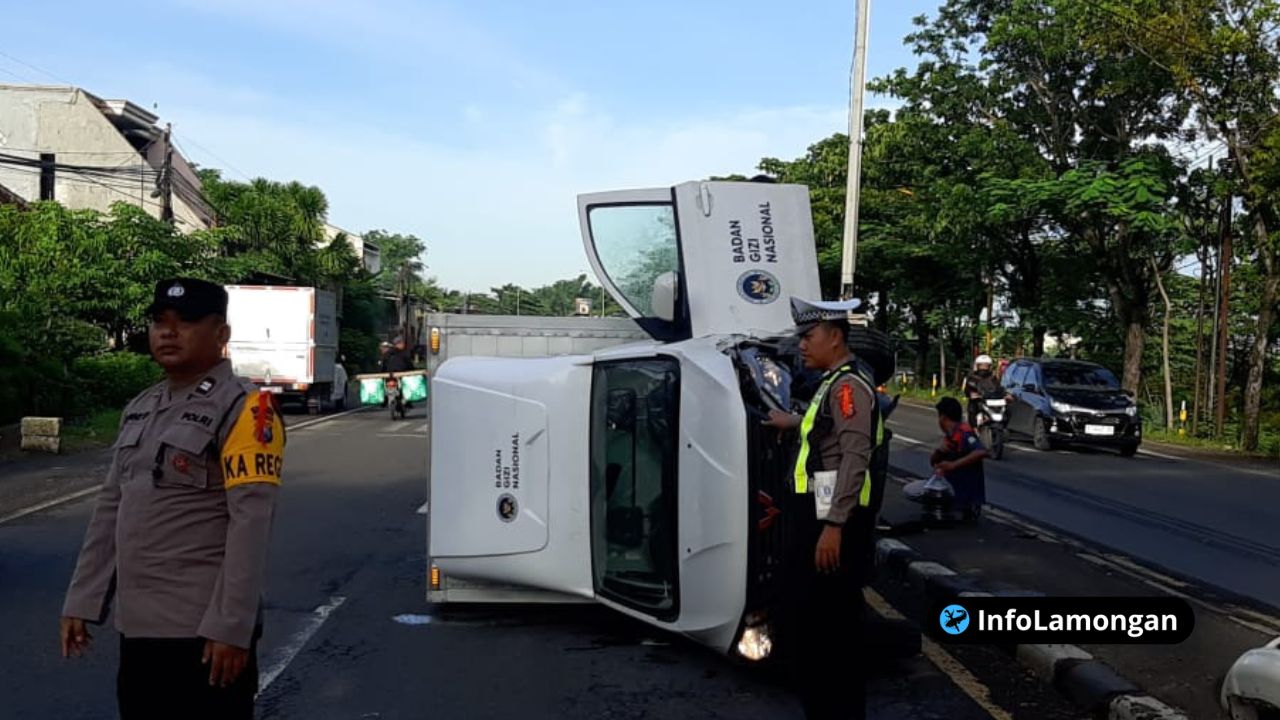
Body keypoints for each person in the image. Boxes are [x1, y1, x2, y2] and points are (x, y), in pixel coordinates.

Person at [60, 278, 286, 720]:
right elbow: (110, 509)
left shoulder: (247, 410)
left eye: (185, 322)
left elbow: (250, 525)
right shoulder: (141, 408)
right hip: (140, 628)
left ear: (221, 334)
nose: (168, 332)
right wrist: (82, 600)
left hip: (204, 633)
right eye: (160, 322)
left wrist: (232, 628)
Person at [765, 297, 882, 720]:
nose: (801, 345)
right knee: (816, 621)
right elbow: (827, 428)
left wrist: (834, 525)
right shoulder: (834, 383)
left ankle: (835, 711)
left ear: (835, 337)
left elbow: (855, 456)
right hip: (818, 517)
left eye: (808, 336)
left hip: (832, 523)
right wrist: (792, 423)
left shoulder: (849, 386)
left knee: (829, 628)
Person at [930, 396, 987, 521]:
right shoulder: (950, 436)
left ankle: (966, 508)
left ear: (943, 418)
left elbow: (981, 451)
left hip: (966, 493)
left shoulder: (964, 433)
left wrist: (953, 465)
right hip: (952, 488)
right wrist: (939, 451)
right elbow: (933, 462)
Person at [963, 354, 1008, 427]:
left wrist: (1005, 394)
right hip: (978, 401)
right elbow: (967, 390)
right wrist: (971, 394)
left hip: (992, 401)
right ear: (977, 366)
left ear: (989, 367)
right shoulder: (972, 378)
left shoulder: (993, 378)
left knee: (1006, 410)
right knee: (972, 408)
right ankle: (974, 429)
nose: (983, 368)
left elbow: (999, 388)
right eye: (981, 365)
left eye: (986, 366)